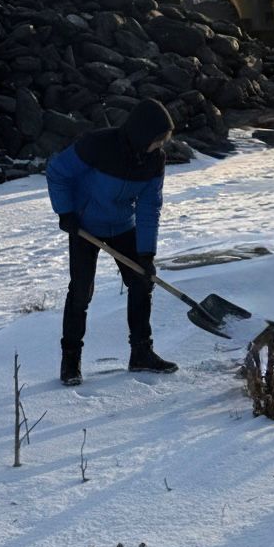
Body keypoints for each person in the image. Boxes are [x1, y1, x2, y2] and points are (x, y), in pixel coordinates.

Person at [46, 98, 178, 386]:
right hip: (84, 225)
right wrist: (65, 211)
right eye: (157, 140)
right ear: (141, 134)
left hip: (122, 226)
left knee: (142, 282)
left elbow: (148, 207)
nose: (160, 146)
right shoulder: (97, 145)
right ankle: (71, 361)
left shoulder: (155, 161)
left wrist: (146, 253)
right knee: (80, 292)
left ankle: (141, 353)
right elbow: (57, 171)